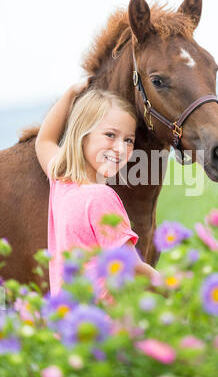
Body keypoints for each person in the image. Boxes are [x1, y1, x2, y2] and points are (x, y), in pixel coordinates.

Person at [35, 81, 162, 301]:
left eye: (128, 140)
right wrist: (176, 290)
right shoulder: (101, 197)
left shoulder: (61, 182)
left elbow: (44, 141)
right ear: (83, 135)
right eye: (110, 135)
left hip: (70, 321)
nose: (120, 148)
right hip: (106, 325)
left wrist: (71, 92)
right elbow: (133, 267)